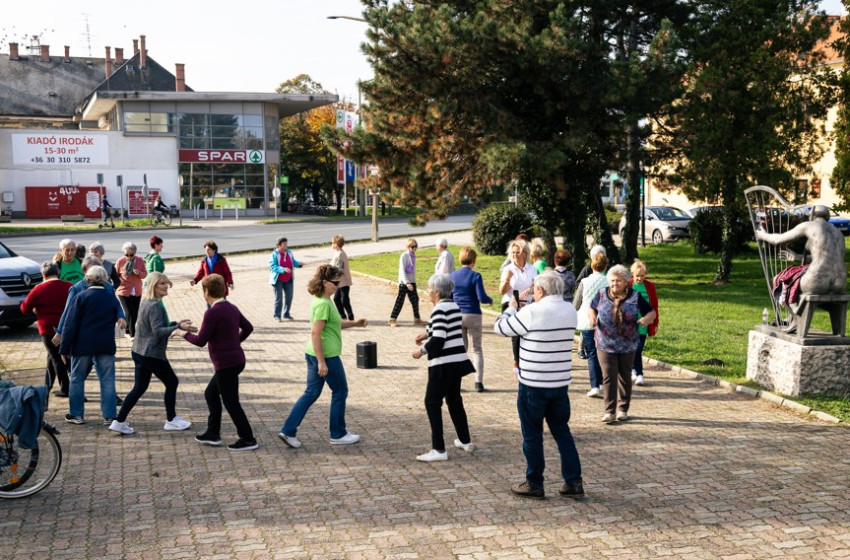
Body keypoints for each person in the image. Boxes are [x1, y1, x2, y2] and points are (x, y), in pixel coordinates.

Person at [493, 271, 584, 500]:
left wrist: (512, 308)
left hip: (533, 383)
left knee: (532, 435)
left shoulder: (532, 312)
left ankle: (534, 482)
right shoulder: (569, 310)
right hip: (559, 383)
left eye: (535, 289)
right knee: (562, 432)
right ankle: (573, 481)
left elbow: (501, 328)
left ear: (540, 290)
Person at [279, 265, 367, 449]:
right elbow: (315, 333)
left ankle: (288, 431)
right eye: (335, 282)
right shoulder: (323, 304)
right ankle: (338, 434)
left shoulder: (323, 299)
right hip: (326, 356)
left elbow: (334, 324)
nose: (338, 285)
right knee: (340, 391)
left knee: (311, 393)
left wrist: (355, 323)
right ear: (325, 283)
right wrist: (321, 361)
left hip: (314, 353)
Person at [108, 272, 197, 435]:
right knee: (172, 382)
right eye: (162, 283)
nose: (166, 286)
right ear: (153, 286)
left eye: (166, 283)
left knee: (139, 388)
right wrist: (178, 328)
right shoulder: (155, 305)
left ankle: (119, 422)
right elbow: (158, 331)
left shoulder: (147, 302)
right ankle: (171, 420)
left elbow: (156, 325)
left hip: (139, 351)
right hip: (151, 353)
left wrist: (176, 323)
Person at [183, 274, 257, 451]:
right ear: (223, 289)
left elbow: (201, 340)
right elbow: (248, 328)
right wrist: (235, 342)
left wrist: (182, 333)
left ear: (206, 292)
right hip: (236, 360)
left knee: (231, 402)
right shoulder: (231, 307)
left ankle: (248, 439)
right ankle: (213, 433)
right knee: (211, 394)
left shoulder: (212, 312)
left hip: (226, 364)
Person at [412, 273, 475, 462]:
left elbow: (439, 339)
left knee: (431, 402)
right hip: (457, 362)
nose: (427, 291)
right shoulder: (453, 306)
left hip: (443, 364)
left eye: (429, 288)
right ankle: (465, 440)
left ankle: (438, 449)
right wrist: (426, 334)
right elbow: (445, 329)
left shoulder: (438, 309)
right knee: (454, 401)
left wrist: (421, 350)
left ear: (437, 292)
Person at [755, 205, 847, 333]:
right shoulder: (838, 233)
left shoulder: (808, 225)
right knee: (796, 277)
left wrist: (762, 235)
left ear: (812, 215)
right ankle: (796, 319)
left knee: (781, 279)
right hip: (840, 282)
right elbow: (829, 257)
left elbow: (777, 240)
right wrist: (797, 257)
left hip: (817, 281)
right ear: (827, 217)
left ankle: (796, 318)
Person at [588, 265, 657, 424]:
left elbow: (651, 311)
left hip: (628, 344)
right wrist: (592, 318)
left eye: (618, 281)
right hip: (605, 343)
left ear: (626, 282)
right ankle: (609, 411)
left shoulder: (635, 296)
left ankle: (623, 409)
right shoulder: (601, 294)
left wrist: (647, 319)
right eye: (612, 280)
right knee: (608, 375)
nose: (615, 284)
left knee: (625, 376)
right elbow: (591, 308)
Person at [58, 266, 126, 425]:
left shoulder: (80, 297)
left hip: (82, 345)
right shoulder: (110, 297)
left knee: (77, 378)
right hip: (105, 344)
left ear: (87, 280)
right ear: (105, 280)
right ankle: (109, 416)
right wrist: (121, 318)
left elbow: (70, 324)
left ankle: (76, 415)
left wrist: (64, 349)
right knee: (107, 380)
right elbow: (119, 311)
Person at [20, 261, 72, 398]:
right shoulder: (68, 286)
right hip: (66, 326)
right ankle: (47, 385)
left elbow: (25, 308)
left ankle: (66, 388)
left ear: (43, 274)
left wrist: (35, 310)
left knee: (56, 357)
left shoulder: (38, 289)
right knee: (53, 356)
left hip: (47, 328)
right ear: (58, 273)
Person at [450, 247, 493, 392]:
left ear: (460, 259)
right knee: (477, 349)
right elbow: (481, 297)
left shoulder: (452, 275)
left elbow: (449, 296)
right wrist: (490, 300)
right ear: (473, 261)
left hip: (457, 314)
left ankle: (456, 383)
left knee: (461, 350)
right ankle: (478, 382)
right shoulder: (476, 276)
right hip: (473, 314)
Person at [499, 239, 537, 374]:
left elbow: (537, 286)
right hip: (512, 304)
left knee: (527, 335)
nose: (515, 255)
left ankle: (527, 360)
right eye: (513, 253)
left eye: (517, 252)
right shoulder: (508, 269)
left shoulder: (531, 269)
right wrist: (507, 279)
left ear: (525, 253)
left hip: (527, 305)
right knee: (516, 334)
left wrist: (530, 289)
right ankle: (518, 363)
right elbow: (501, 291)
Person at [574, 251, 608, 398]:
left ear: (592, 266)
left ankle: (595, 385)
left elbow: (576, 303)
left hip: (587, 321)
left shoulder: (584, 281)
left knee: (592, 353)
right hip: (605, 322)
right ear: (605, 266)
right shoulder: (609, 282)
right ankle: (602, 382)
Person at [629, 259, 659, 386]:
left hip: (644, 323)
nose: (639, 278)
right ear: (632, 274)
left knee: (639, 348)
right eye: (637, 276)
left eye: (642, 276)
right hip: (630, 323)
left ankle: (634, 370)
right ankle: (638, 373)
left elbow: (654, 306)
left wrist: (655, 322)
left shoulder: (650, 286)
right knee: (634, 348)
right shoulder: (628, 285)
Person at [115, 242, 147, 340]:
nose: (129, 257)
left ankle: (127, 331)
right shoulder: (120, 261)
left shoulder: (140, 260)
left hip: (136, 290)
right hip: (123, 290)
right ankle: (133, 333)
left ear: (135, 253)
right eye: (126, 255)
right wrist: (118, 280)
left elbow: (145, 274)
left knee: (135, 312)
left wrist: (139, 273)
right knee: (128, 312)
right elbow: (115, 275)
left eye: (131, 255)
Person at [389, 238, 424, 327]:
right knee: (400, 301)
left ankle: (417, 318)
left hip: (412, 282)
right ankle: (392, 319)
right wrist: (407, 283)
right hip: (404, 283)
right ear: (408, 247)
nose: (415, 248)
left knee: (415, 300)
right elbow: (402, 271)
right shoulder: (404, 256)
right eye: (412, 246)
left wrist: (412, 282)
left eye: (416, 246)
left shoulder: (413, 256)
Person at [268, 237, 302, 321]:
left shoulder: (289, 252)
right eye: (284, 244)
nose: (286, 245)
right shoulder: (275, 254)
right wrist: (283, 269)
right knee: (279, 299)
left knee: (289, 297)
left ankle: (286, 314)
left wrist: (298, 264)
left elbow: (292, 261)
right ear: (279, 245)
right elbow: (272, 266)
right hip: (278, 280)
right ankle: (277, 316)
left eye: (286, 243)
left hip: (288, 279)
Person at [330, 235, 354, 320]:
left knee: (345, 300)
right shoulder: (337, 253)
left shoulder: (340, 254)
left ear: (337, 244)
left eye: (333, 243)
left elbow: (339, 269)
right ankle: (342, 316)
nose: (332, 244)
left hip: (344, 281)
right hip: (339, 281)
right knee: (336, 299)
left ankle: (350, 317)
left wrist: (330, 276)